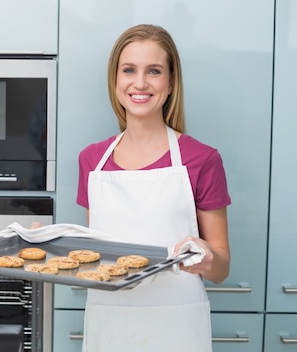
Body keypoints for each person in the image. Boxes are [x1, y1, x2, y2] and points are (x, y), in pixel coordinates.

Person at [76, 24, 231, 351]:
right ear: (115, 79)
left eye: (154, 71)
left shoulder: (202, 159)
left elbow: (221, 268)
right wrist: (43, 242)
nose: (140, 83)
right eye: (129, 70)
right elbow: (94, 256)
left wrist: (204, 256)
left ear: (171, 82)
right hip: (108, 322)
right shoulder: (92, 161)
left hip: (176, 327)